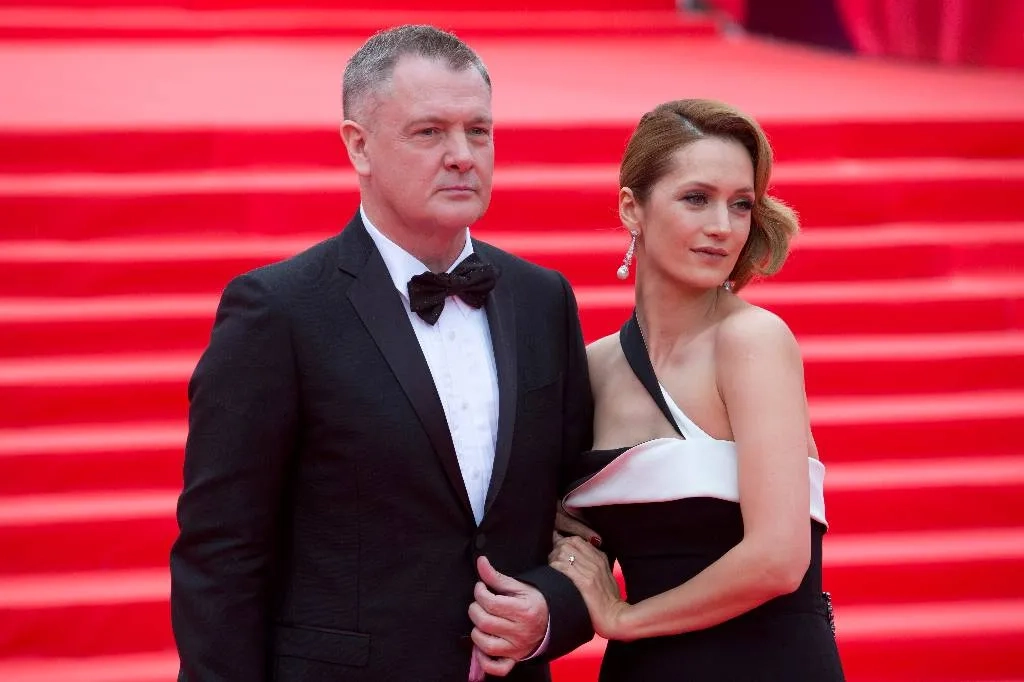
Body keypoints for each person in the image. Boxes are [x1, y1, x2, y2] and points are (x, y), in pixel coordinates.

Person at [170, 24, 594, 682]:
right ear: (358, 146)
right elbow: (221, 554)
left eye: (478, 131)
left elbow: (583, 510)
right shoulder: (279, 311)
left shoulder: (543, 300)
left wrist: (552, 611)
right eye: (429, 132)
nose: (462, 156)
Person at [547, 99, 846, 680]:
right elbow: (572, 533)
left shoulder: (752, 341)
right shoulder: (594, 368)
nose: (722, 227)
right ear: (631, 208)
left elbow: (779, 559)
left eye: (741, 205)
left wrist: (625, 618)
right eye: (695, 198)